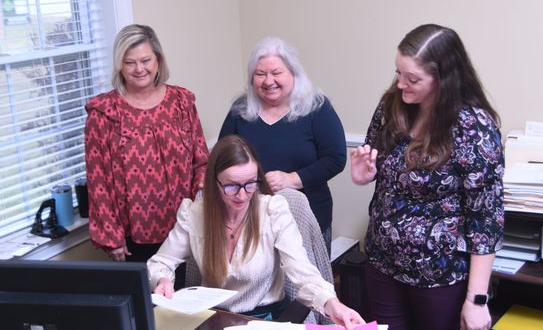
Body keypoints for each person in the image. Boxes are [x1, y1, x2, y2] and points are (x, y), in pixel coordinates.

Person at [350, 24, 504, 330]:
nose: (401, 84)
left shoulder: (474, 128)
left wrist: (477, 300)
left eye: (413, 79)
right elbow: (375, 163)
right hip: (383, 263)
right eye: (398, 73)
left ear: (444, 78)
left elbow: (485, 221)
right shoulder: (391, 106)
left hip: (440, 277)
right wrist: (362, 174)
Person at [148, 135, 364, 329]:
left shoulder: (273, 211)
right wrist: (163, 280)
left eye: (250, 184)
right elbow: (159, 263)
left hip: (262, 321)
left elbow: (303, 271)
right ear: (213, 183)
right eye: (231, 186)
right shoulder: (194, 214)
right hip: (213, 319)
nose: (242, 195)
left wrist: (333, 305)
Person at [85, 24, 209, 263]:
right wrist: (111, 237)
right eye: (130, 62)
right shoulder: (104, 113)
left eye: (145, 60)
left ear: (158, 61)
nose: (139, 69)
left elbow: (201, 160)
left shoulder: (181, 102)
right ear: (120, 65)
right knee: (146, 300)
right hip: (132, 239)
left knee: (186, 297)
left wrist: (199, 210)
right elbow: (97, 181)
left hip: (184, 229)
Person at [218, 37, 346, 253]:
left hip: (307, 216)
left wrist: (292, 179)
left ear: (293, 73)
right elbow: (222, 157)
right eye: (260, 74)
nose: (269, 81)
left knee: (306, 282)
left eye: (276, 73)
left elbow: (336, 159)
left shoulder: (316, 107)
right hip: (250, 219)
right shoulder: (240, 110)